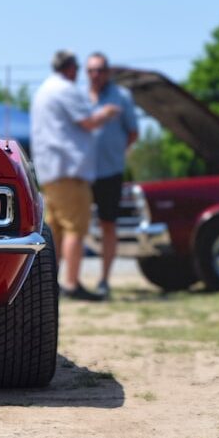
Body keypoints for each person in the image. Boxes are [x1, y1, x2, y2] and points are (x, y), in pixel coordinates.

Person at [31, 50, 121, 301]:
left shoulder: (43, 90)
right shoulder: (66, 90)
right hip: (70, 171)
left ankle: (51, 284)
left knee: (56, 230)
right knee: (75, 228)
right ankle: (71, 283)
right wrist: (107, 113)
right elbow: (88, 121)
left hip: (50, 172)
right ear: (71, 68)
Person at [85, 52, 138, 298]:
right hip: (82, 173)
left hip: (110, 172)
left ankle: (104, 279)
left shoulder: (122, 97)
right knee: (75, 226)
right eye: (91, 70)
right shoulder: (79, 97)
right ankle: (70, 279)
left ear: (108, 71)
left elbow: (133, 133)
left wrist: (116, 153)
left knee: (108, 224)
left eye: (100, 69)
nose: (96, 74)